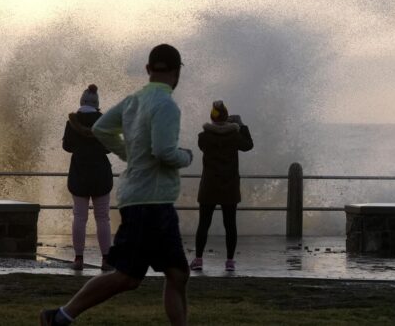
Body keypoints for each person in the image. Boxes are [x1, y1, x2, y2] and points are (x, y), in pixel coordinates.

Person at [40, 44, 193, 326]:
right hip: (152, 203)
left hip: (141, 200)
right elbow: (163, 152)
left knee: (175, 274)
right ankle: (60, 316)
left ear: (148, 70)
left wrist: (128, 153)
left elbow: (101, 129)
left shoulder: (133, 100)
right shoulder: (167, 105)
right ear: (176, 71)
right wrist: (187, 156)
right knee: (128, 277)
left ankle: (61, 316)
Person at [189, 100, 253, 272]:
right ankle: (230, 261)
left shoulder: (203, 138)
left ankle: (199, 259)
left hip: (209, 186)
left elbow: (209, 135)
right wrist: (240, 125)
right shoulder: (235, 136)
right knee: (230, 225)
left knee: (204, 224)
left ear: (212, 117)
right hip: (230, 187)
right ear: (227, 118)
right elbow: (249, 145)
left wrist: (219, 126)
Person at [62, 84, 114, 271]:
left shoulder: (72, 122)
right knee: (102, 218)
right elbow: (109, 147)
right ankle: (106, 259)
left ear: (81, 102)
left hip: (79, 173)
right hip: (100, 174)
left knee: (79, 217)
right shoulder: (104, 121)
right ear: (97, 103)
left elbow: (67, 147)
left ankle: (78, 259)